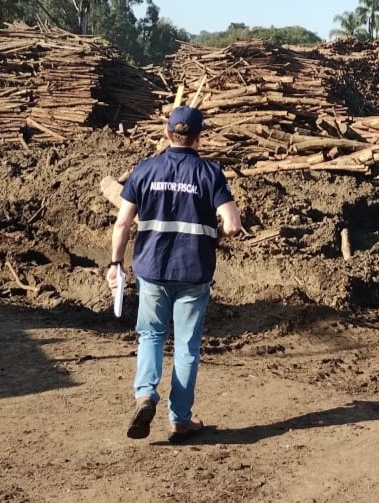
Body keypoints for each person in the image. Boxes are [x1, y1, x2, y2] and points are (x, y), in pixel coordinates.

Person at [106, 105, 242, 443]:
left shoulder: (145, 170)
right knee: (186, 346)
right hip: (194, 270)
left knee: (150, 335)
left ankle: (145, 395)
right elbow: (234, 225)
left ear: (168, 134)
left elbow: (122, 223)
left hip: (152, 269)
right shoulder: (211, 174)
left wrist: (115, 263)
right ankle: (179, 420)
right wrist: (214, 235)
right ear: (200, 137)